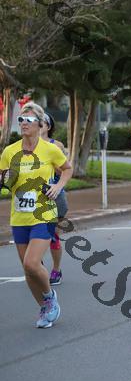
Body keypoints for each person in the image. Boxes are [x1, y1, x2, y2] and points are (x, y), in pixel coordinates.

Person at [0, 102, 73, 328]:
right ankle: (45, 307)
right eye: (21, 120)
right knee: (28, 270)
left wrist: (58, 186)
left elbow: (67, 168)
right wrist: (4, 181)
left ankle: (50, 297)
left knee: (32, 263)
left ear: (40, 124)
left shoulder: (50, 149)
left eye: (29, 120)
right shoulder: (9, 151)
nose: (24, 123)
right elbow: (4, 181)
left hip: (44, 214)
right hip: (19, 216)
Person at [38, 112, 69, 285]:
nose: (38, 124)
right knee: (34, 235)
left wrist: (49, 159)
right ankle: (37, 266)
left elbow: (64, 169)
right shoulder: (26, 145)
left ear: (48, 126)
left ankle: (56, 270)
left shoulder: (56, 145)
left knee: (53, 235)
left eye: (42, 121)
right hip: (33, 197)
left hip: (55, 195)